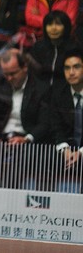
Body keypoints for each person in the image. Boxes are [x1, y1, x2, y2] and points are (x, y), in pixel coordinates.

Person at [0, 48, 51, 144]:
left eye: (13, 73)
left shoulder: (41, 89)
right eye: (6, 74)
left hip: (27, 141)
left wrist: (27, 139)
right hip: (0, 140)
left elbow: (44, 123)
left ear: (25, 67)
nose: (9, 78)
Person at [50, 47, 83, 175]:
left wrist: (81, 152)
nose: (71, 72)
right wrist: (65, 149)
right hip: (67, 151)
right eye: (67, 68)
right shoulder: (58, 94)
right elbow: (56, 126)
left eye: (76, 67)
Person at [27, 10, 81, 87]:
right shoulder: (38, 47)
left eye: (58, 24)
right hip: (40, 91)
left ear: (66, 27)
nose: (53, 28)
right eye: (49, 24)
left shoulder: (74, 49)